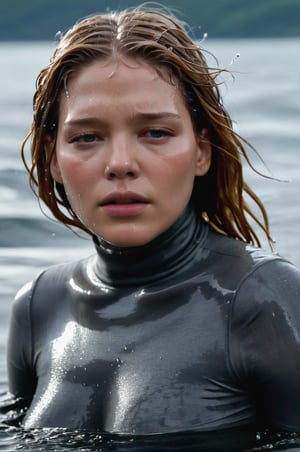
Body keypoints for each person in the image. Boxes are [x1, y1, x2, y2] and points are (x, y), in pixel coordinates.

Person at [6, 4, 300, 447]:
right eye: (87, 137)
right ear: (54, 161)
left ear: (202, 151)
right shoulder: (37, 306)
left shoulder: (262, 301)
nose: (120, 164)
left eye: (155, 133)